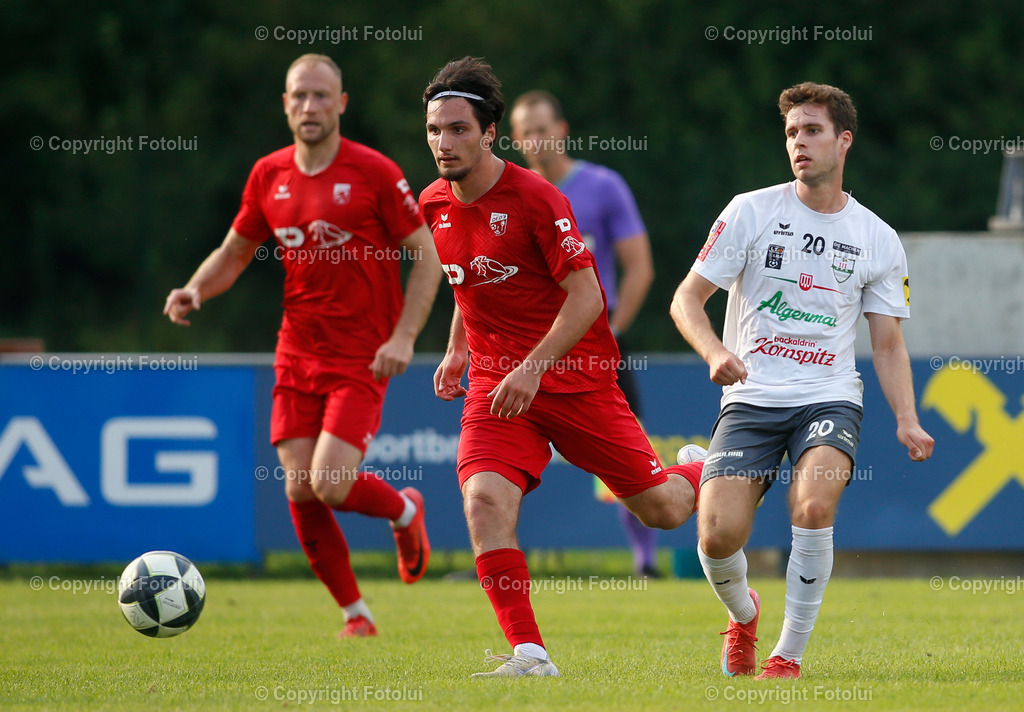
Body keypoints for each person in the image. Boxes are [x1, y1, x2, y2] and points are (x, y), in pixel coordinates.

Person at [419, 56, 703, 678]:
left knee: (663, 509)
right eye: (435, 130)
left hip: (573, 378)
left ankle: (700, 472)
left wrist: (534, 368)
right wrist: (456, 350)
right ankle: (530, 653)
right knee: (484, 501)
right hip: (496, 384)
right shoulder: (434, 203)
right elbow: (470, 287)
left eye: (459, 129)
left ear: (489, 133)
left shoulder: (537, 198)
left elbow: (588, 295)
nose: (444, 143)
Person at [164, 54, 441, 638]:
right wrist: (195, 289)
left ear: (341, 104)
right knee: (299, 486)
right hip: (297, 351)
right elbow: (236, 252)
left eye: (321, 96)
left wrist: (404, 337)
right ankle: (356, 616)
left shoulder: (374, 172)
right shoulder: (268, 174)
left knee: (331, 483)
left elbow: (428, 255)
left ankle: (405, 511)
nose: (309, 106)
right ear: (285, 104)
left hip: (363, 353)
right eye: (299, 96)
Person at [670, 82, 934, 679]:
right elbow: (687, 300)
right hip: (751, 399)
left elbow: (887, 343)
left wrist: (907, 418)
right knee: (716, 537)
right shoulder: (749, 211)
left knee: (812, 507)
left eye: (812, 131)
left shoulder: (878, 237)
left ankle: (786, 656)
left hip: (830, 397)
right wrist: (713, 351)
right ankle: (744, 615)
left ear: (844, 141)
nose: (799, 143)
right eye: (791, 133)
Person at [509, 90, 662, 578]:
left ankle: (645, 562)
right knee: (501, 450)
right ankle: (498, 558)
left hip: (594, 343)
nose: (536, 139)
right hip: (524, 344)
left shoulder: (602, 185)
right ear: (514, 140)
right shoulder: (504, 195)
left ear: (562, 130)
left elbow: (640, 268)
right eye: (525, 132)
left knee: (627, 452)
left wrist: (612, 331)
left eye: (542, 128)